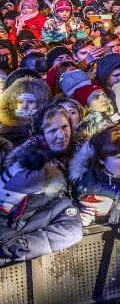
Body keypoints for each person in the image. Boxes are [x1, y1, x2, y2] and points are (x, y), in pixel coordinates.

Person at [0, 107, 83, 265]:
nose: (61, 135)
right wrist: (18, 245)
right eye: (52, 131)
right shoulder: (24, 166)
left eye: (65, 127)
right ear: (40, 135)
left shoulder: (84, 156)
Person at [0, 77, 52, 146]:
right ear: (13, 104)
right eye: (20, 102)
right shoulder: (5, 135)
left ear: (39, 105)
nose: (24, 106)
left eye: (30, 102)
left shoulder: (46, 130)